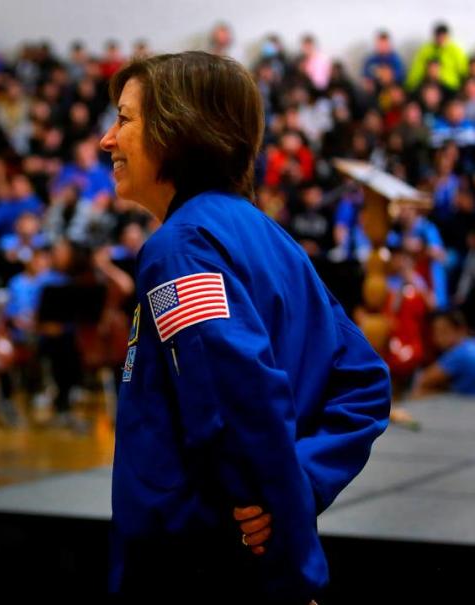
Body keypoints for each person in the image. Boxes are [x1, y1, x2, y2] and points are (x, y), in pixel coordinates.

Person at [100, 52, 390, 604]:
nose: (107, 141)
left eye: (125, 119)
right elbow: (365, 381)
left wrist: (281, 522)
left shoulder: (181, 247)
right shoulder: (272, 239)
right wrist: (303, 481)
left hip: (203, 568)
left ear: (178, 128)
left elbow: (236, 399)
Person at [411, 310, 475, 397]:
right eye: (435, 332)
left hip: (468, 404)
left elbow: (423, 379)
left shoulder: (460, 353)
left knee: (420, 392)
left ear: (461, 330)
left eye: (443, 331)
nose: (438, 338)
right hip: (466, 400)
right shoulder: (471, 344)